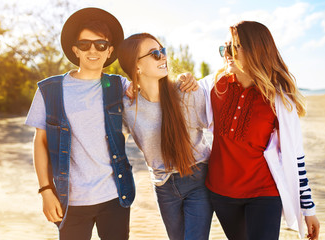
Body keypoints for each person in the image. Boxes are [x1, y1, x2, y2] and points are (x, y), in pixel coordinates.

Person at [196, 21, 320, 240]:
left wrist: (308, 210)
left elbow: (295, 156)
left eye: (234, 47)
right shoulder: (215, 85)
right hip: (222, 194)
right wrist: (183, 79)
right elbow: (181, 102)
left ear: (256, 50)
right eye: (224, 48)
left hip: (264, 193)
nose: (227, 54)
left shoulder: (278, 99)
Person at [25, 8, 136, 240]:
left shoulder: (119, 86)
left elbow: (152, 89)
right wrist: (45, 190)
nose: (92, 50)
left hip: (115, 195)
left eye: (100, 44)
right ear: (75, 50)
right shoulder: (49, 90)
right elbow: (40, 142)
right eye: (84, 44)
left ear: (110, 51)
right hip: (71, 200)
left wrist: (184, 79)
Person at [117, 33, 213, 240]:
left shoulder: (188, 92)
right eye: (154, 54)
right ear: (137, 66)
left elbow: (217, 125)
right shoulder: (127, 106)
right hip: (163, 186)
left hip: (198, 178)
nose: (163, 57)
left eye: (163, 51)